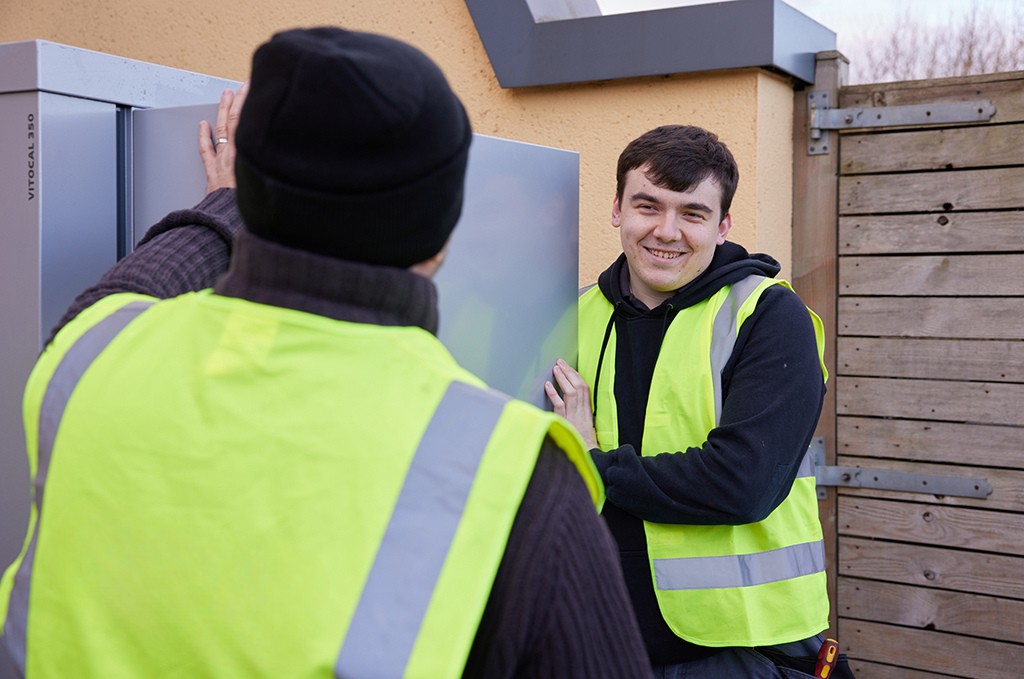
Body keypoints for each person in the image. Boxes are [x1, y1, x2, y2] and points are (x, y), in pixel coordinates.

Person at [0, 27, 649, 678]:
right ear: (442, 237)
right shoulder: (514, 474)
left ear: (251, 191)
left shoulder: (91, 352)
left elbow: (137, 282)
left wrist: (225, 206)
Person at [546, 125, 847, 678]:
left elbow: (741, 483)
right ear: (616, 209)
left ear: (722, 224)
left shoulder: (768, 316)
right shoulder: (573, 316)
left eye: (692, 213)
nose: (667, 230)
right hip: (601, 638)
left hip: (743, 651)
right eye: (647, 206)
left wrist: (593, 465)